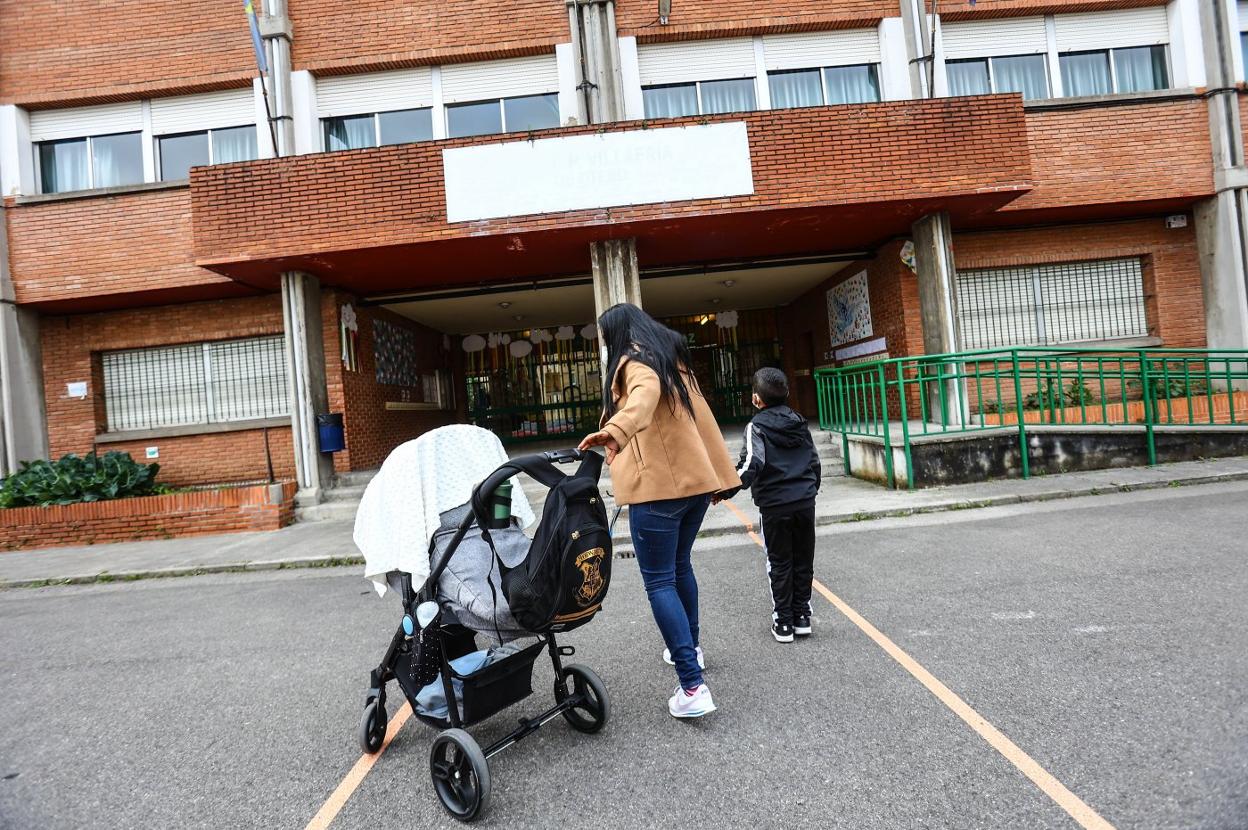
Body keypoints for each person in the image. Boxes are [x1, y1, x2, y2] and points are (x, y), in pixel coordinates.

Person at [578, 304, 740, 718]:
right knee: (680, 568)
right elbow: (702, 420)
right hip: (693, 489)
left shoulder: (635, 360)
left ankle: (692, 686)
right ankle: (692, 651)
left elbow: (644, 394)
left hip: (659, 493)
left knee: (660, 582)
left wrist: (614, 431)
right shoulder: (672, 358)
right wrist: (719, 476)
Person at [732, 367, 821, 643]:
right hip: (805, 502)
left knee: (779, 561)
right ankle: (802, 616)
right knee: (803, 558)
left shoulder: (756, 426)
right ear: (787, 393)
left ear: (757, 399)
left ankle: (783, 623)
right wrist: (809, 490)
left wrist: (724, 489)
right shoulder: (799, 421)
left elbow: (751, 465)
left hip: (774, 506)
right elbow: (814, 461)